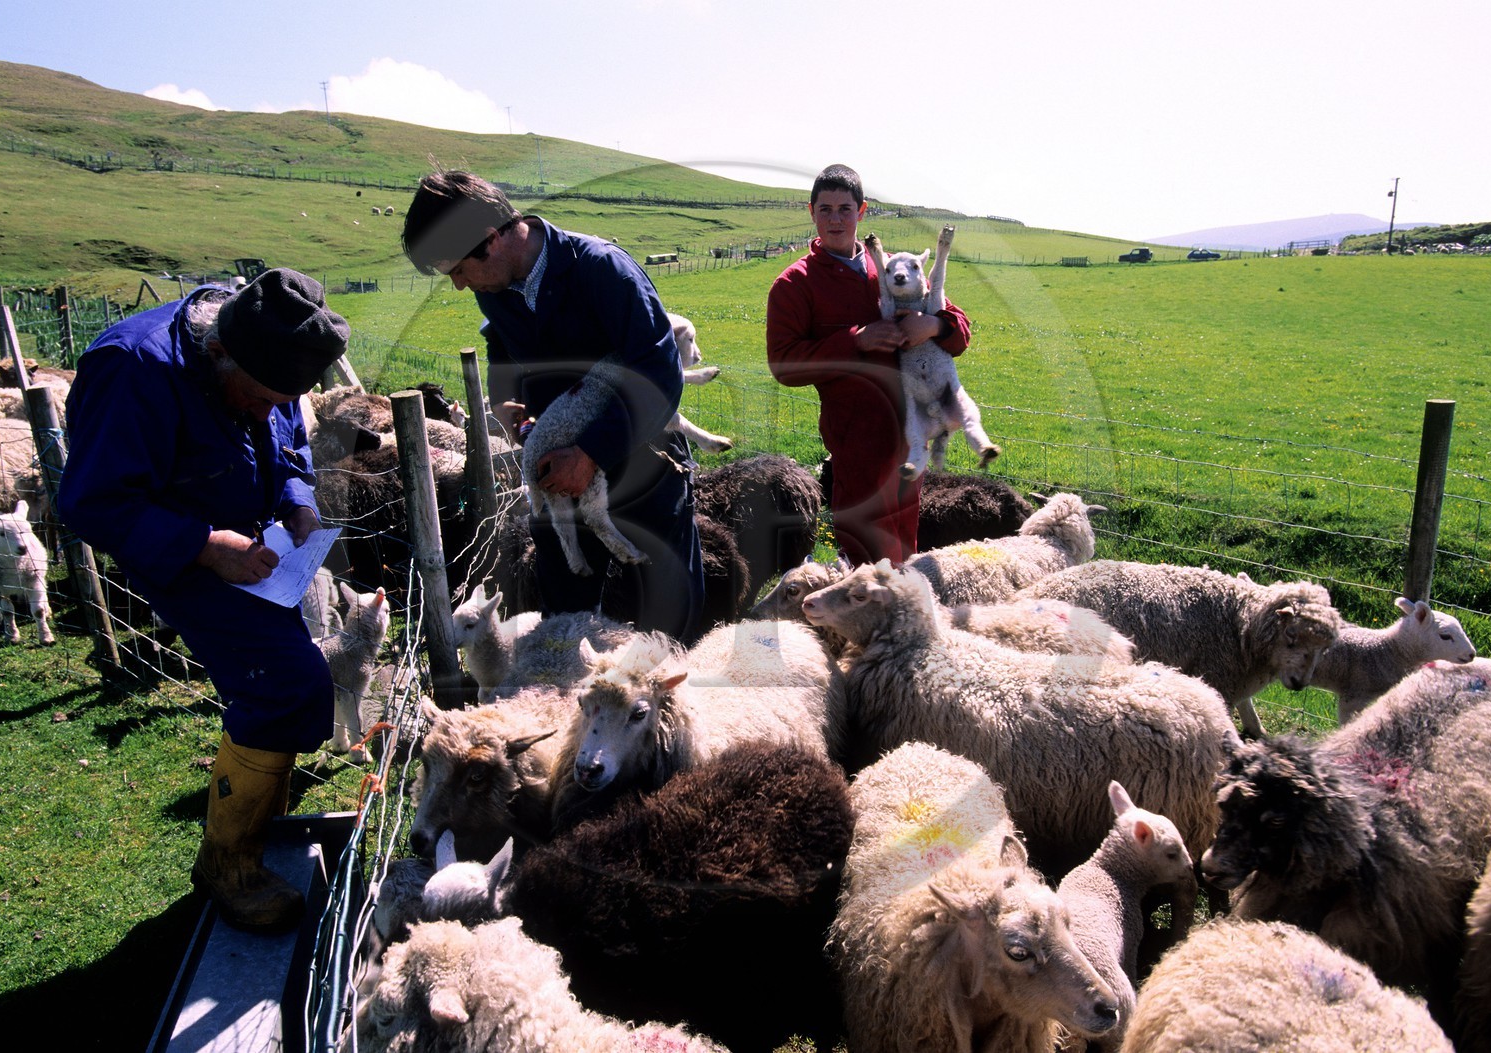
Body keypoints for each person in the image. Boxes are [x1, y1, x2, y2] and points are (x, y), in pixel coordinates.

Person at [57, 268, 350, 933]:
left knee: (287, 681)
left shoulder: (266, 350)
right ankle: (229, 865)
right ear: (219, 351)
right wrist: (203, 545)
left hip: (252, 546)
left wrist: (297, 498)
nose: (266, 411)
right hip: (177, 546)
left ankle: (261, 823)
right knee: (286, 682)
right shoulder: (133, 369)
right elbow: (92, 501)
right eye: (257, 397)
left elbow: (287, 438)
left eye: (280, 399)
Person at [400, 168, 704, 641]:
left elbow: (659, 373)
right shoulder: (496, 289)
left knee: (666, 619)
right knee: (564, 619)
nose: (459, 284)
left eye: (458, 270)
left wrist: (591, 454)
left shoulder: (602, 269)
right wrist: (507, 397)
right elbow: (500, 344)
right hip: (556, 471)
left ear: (490, 239)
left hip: (641, 466)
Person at [767, 164, 972, 565]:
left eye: (845, 209)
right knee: (866, 566)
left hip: (910, 437)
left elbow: (960, 330)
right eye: (825, 209)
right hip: (857, 444)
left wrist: (933, 325)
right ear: (811, 212)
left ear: (862, 211)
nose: (835, 220)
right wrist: (855, 341)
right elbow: (784, 364)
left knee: (905, 556)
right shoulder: (795, 284)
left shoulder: (895, 269)